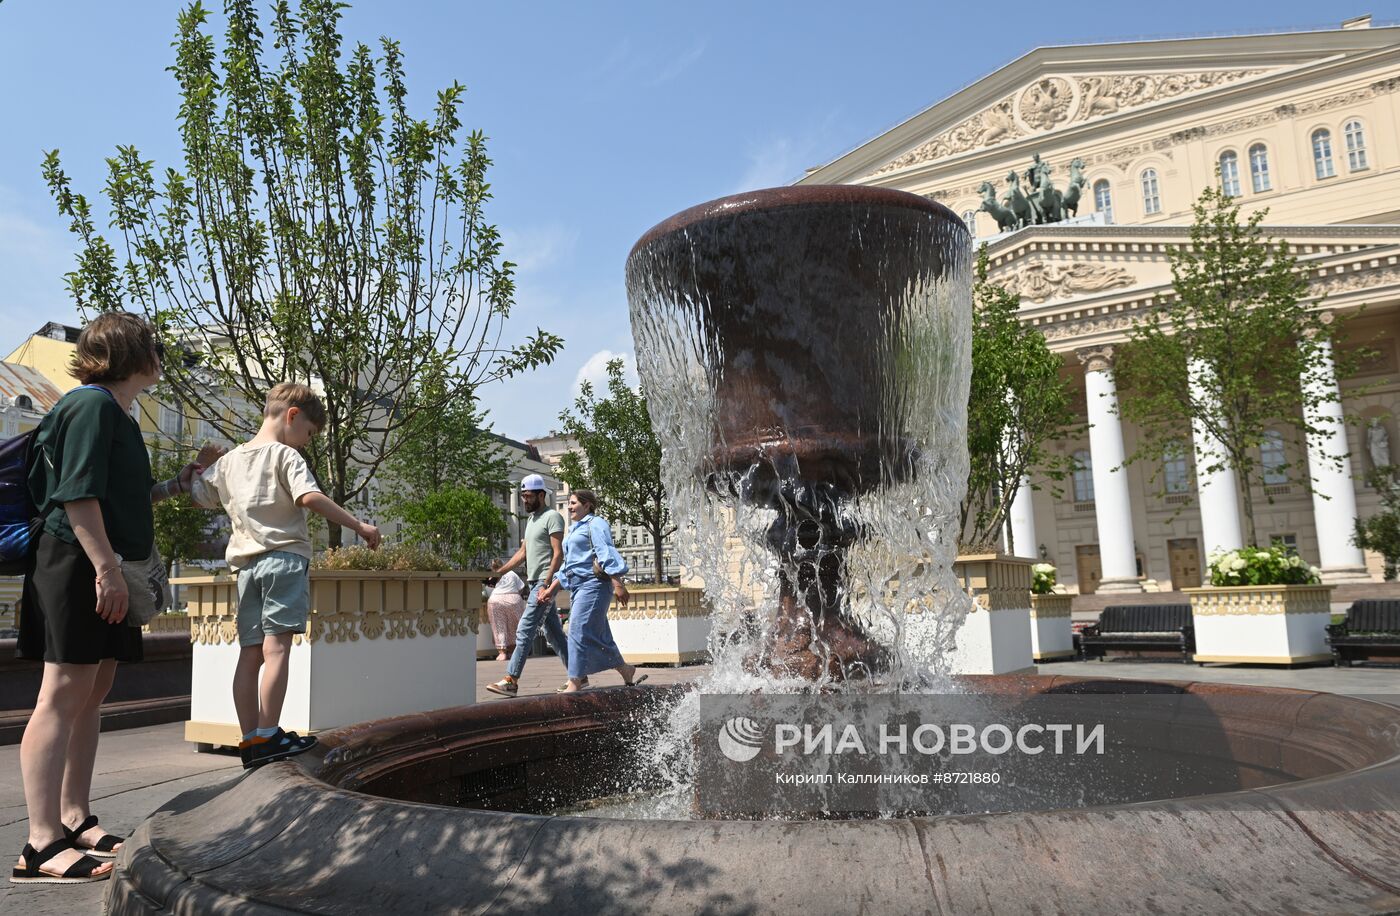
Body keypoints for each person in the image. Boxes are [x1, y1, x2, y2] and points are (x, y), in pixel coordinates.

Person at [13, 313, 209, 885]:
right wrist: (106, 571)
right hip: (79, 562)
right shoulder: (92, 406)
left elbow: (116, 493)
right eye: (154, 345)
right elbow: (77, 497)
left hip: (102, 563)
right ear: (131, 353)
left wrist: (178, 484)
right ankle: (40, 844)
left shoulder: (114, 412)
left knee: (94, 690)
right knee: (63, 692)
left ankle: (74, 818)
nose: (160, 355)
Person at [191, 382, 380, 769]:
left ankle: (249, 740)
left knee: (249, 653)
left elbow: (198, 495)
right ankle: (269, 732)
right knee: (277, 650)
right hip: (284, 561)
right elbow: (308, 497)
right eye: (309, 433)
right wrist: (358, 526)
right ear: (292, 415)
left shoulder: (229, 462)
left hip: (245, 568)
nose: (306, 443)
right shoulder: (285, 456)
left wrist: (200, 464)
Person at [535, 490, 647, 693]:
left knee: (576, 630)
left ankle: (575, 681)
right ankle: (626, 669)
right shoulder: (576, 529)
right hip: (578, 588)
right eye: (569, 503)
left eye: (573, 503)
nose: (569, 507)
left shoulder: (596, 524)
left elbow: (605, 552)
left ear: (587, 505)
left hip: (593, 586)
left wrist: (618, 584)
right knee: (599, 635)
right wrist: (550, 589)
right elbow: (569, 565)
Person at [486, 475, 567, 697]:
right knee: (555, 634)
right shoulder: (531, 521)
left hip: (543, 581)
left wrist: (548, 584)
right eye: (522, 496)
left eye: (528, 496)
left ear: (542, 495)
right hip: (535, 583)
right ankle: (579, 676)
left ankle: (511, 680)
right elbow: (522, 553)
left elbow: (558, 554)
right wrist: (499, 572)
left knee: (524, 630)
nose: (524, 500)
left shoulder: (553, 518)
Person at [485, 559, 526, 661]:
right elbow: (521, 587)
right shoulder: (512, 573)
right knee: (514, 626)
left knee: (499, 626)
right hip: (513, 599)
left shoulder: (494, 575)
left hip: (496, 599)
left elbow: (488, 588)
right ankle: (512, 652)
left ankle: (502, 653)